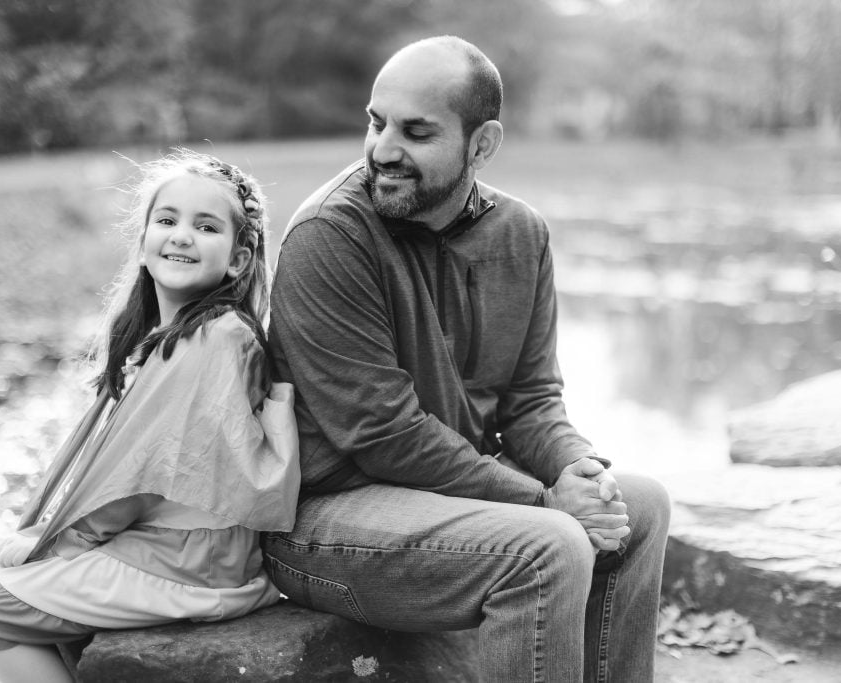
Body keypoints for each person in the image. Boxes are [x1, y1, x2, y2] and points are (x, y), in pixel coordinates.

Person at [263, 35, 671, 682]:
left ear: (481, 145)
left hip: (450, 494)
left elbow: (533, 400)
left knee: (640, 505)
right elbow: (384, 434)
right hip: (326, 516)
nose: (383, 150)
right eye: (376, 122)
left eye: (416, 132)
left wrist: (579, 468)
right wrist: (545, 502)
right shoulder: (329, 238)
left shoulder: (522, 234)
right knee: (551, 545)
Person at [0, 149, 300, 683]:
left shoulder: (217, 337)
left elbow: (144, 468)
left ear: (238, 260)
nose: (181, 235)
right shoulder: (162, 340)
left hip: (194, 559)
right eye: (167, 220)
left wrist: (62, 542)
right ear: (143, 242)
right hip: (163, 544)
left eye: (205, 226)